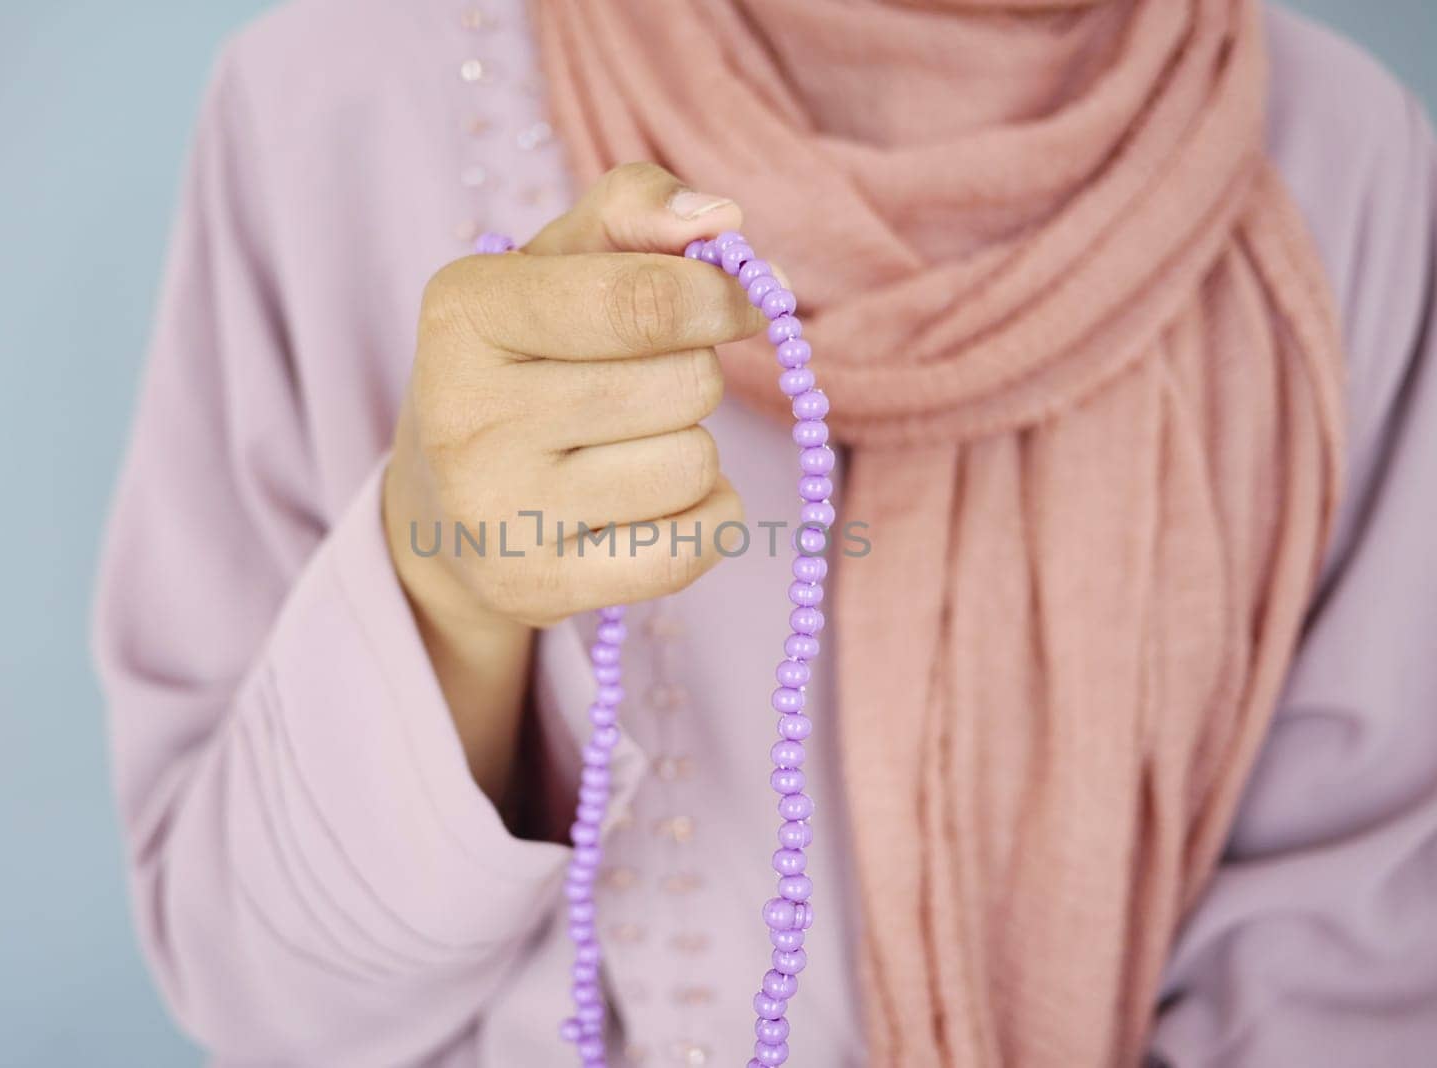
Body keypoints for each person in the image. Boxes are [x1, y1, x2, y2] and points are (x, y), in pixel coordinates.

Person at [92, 1, 1437, 1064]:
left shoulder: (1340, 175)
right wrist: (442, 591)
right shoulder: (332, 105)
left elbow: (1353, 990)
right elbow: (252, 988)